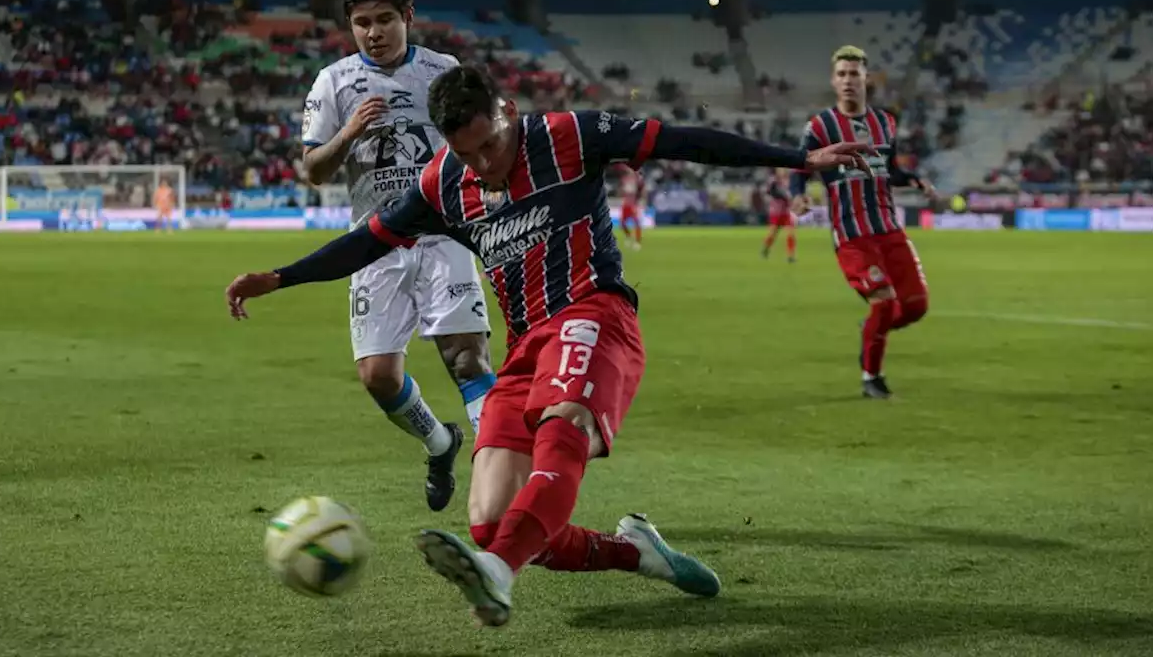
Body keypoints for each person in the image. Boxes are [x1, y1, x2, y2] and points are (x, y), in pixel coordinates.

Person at [225, 64, 873, 627]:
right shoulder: (443, 182)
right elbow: (365, 241)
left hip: (595, 314)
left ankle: (498, 576)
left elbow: (683, 141)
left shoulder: (569, 134)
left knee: (559, 442)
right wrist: (280, 278)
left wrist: (797, 160)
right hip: (528, 346)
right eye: (467, 154)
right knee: (490, 523)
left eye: (489, 146)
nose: (483, 165)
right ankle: (635, 552)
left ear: (505, 113)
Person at [298, 0, 496, 511]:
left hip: (442, 235)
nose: (373, 32)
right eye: (362, 23)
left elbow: (478, 142)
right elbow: (313, 170)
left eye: (385, 19)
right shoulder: (332, 82)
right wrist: (348, 132)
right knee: (379, 377)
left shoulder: (443, 70)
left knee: (468, 360)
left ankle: (502, 471)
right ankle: (440, 442)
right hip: (375, 244)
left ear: (407, 17)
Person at [790, 45, 938, 399]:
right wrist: (797, 194)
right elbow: (800, 166)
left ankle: (873, 327)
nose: (848, 81)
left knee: (916, 306)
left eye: (854, 74)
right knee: (884, 301)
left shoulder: (885, 122)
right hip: (852, 235)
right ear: (833, 80)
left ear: (865, 79)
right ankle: (872, 377)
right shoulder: (820, 126)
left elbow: (891, 171)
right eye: (841, 74)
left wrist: (913, 180)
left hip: (889, 228)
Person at [761, 167, 797, 262]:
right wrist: (785, 196)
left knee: (791, 233)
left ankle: (790, 256)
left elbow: (792, 193)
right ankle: (765, 249)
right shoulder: (773, 181)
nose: (783, 171)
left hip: (786, 212)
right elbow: (771, 192)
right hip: (776, 211)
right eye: (780, 169)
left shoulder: (789, 180)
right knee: (773, 234)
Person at [615, 163, 645, 250]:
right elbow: (620, 192)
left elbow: (641, 191)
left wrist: (642, 201)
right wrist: (620, 192)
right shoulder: (624, 180)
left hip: (633, 204)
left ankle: (638, 242)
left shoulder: (637, 180)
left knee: (637, 223)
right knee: (622, 224)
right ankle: (628, 236)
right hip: (625, 204)